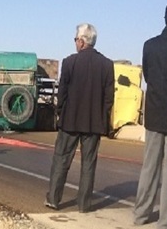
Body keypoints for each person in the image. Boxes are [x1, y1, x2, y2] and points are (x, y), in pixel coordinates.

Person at [45, 23, 115, 213]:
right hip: (94, 123)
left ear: (82, 41)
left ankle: (53, 198)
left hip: (70, 121)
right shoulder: (107, 65)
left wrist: (60, 113)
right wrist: (104, 118)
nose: (75, 42)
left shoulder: (69, 62)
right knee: (88, 164)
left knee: (61, 159)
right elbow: (109, 98)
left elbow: (62, 93)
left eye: (76, 39)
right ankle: (84, 204)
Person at [133, 2, 167, 229]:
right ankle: (165, 222)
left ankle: (141, 214)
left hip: (155, 113)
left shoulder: (150, 45)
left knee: (149, 167)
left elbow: (147, 76)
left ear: (164, 19)